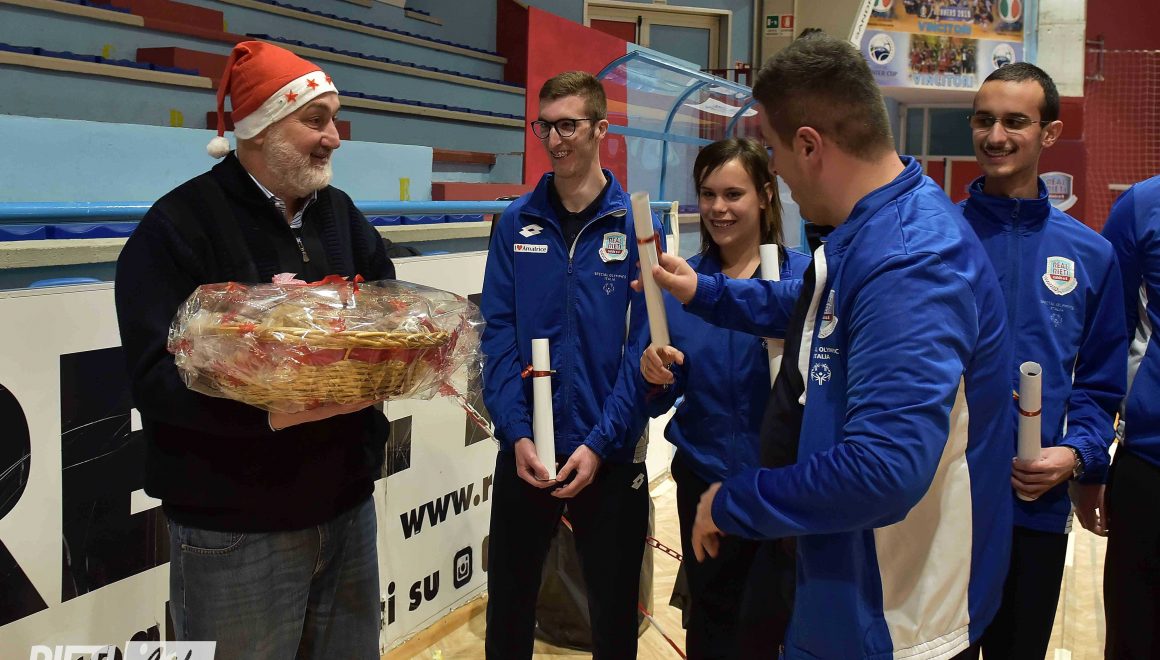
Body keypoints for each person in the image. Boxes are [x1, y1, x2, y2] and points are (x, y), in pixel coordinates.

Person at [641, 32, 1014, 659]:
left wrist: (737, 500)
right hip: (851, 589)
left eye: (775, 150)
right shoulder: (875, 228)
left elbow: (883, 470)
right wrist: (703, 292)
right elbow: (812, 310)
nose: (777, 171)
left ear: (810, 146)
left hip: (899, 620)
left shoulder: (910, 262)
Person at [115, 41, 394, 659]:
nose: (334, 138)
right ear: (261, 127)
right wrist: (274, 412)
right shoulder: (177, 226)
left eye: (334, 120)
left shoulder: (340, 215)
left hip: (347, 508)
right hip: (236, 527)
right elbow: (155, 380)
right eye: (315, 120)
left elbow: (386, 309)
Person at [479, 71, 657, 659]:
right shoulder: (515, 223)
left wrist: (602, 442)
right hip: (527, 451)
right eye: (545, 126)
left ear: (601, 129)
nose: (554, 140)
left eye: (568, 126)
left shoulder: (637, 227)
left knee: (613, 622)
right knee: (508, 612)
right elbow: (498, 335)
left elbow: (646, 347)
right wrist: (516, 433)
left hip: (608, 452)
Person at [959, 62, 1127, 660]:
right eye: (983, 120)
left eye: (1014, 122)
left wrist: (1077, 453)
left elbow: (1100, 385)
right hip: (941, 505)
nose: (995, 136)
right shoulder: (937, 238)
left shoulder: (1091, 255)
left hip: (1033, 505)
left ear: (1049, 133)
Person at [639, 137, 810, 658]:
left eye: (733, 194)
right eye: (708, 194)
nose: (718, 208)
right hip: (705, 480)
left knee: (776, 630)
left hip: (782, 488)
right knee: (713, 628)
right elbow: (659, 398)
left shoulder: (804, 279)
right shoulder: (680, 282)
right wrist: (652, 376)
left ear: (765, 195)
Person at [1100, 173, 1160, 659]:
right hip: (1149, 465)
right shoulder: (1141, 206)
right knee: (1136, 640)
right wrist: (1092, 461)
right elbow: (1106, 335)